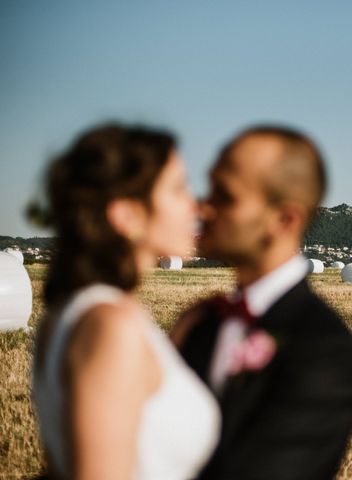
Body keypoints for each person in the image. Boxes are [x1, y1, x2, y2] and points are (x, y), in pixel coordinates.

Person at [171, 125, 352, 480]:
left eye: (224, 196)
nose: (203, 206)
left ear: (284, 219)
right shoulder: (201, 323)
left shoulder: (322, 348)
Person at [31, 123, 220, 480]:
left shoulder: (75, 313)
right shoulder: (109, 325)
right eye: (178, 188)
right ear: (127, 215)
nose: (194, 204)